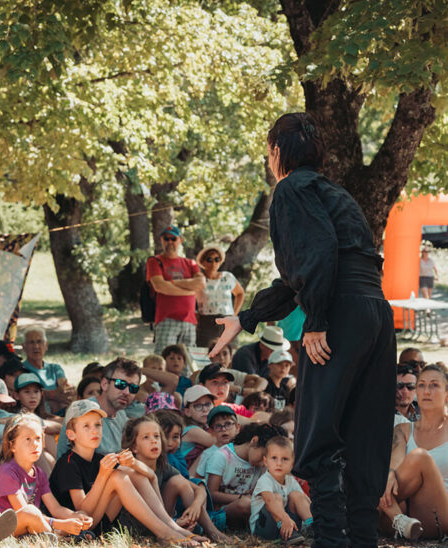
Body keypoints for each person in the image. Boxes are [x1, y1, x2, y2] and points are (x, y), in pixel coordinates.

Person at [211, 112, 397, 547]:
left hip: (340, 314)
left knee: (319, 433)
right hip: (374, 312)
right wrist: (247, 318)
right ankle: (362, 538)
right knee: (364, 432)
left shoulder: (291, 188)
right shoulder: (336, 192)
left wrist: (316, 322)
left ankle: (332, 538)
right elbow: (305, 273)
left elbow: (316, 259)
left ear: (277, 151)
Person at [48, 400, 205, 544]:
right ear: (71, 434)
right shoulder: (67, 463)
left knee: (128, 472)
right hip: (79, 527)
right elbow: (84, 511)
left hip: (100, 522)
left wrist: (137, 466)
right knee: (117, 476)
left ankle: (171, 527)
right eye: (86, 426)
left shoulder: (98, 458)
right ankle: (164, 532)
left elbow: (145, 476)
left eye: (98, 425)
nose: (94, 431)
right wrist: (103, 475)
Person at [122, 415, 229, 542]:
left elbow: (198, 489)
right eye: (146, 437)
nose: (154, 441)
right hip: (138, 523)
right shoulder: (129, 465)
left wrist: (195, 505)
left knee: (178, 482)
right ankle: (173, 529)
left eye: (156, 436)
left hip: (163, 517)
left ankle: (211, 531)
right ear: (134, 447)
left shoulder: (162, 465)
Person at [0, 413, 92, 538]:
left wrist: (76, 517)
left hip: (31, 524)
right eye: (27, 439)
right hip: (3, 528)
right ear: (12, 445)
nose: (35, 444)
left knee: (74, 516)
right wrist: (60, 524)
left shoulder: (39, 473)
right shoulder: (7, 473)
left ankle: (61, 534)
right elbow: (24, 512)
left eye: (38, 438)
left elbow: (56, 509)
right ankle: (59, 536)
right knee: (32, 512)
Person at [380, 364, 448, 540]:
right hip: (403, 517)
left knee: (419, 457)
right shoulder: (403, 429)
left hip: (438, 514)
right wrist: (389, 474)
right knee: (385, 474)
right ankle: (399, 520)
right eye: (422, 385)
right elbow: (395, 462)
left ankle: (383, 512)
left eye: (434, 385)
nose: (427, 391)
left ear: (447, 394)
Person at [204, 423, 285, 528]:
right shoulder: (222, 456)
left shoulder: (261, 465)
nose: (263, 464)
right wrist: (241, 498)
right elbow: (211, 494)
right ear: (254, 441)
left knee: (277, 497)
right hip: (221, 512)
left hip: (248, 507)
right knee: (245, 504)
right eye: (263, 456)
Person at [56, 357, 138, 456]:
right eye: (120, 384)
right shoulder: (83, 411)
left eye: (133, 388)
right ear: (104, 384)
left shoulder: (121, 414)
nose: (127, 392)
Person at [146, 225, 205, 353]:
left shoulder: (190, 263)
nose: (170, 242)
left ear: (180, 240)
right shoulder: (155, 261)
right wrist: (189, 290)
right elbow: (160, 286)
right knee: (163, 361)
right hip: (166, 319)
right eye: (166, 238)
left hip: (189, 320)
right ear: (161, 240)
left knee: (188, 364)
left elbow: (201, 283)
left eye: (173, 238)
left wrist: (172, 283)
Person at [250, 436, 313, 543]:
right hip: (264, 528)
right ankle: (289, 532)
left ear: (292, 463)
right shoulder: (264, 480)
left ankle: (313, 527)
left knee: (297, 495)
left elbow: (305, 501)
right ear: (265, 461)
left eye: (285, 459)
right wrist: (284, 518)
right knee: (276, 497)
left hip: (288, 524)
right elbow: (269, 502)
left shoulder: (291, 481)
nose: (279, 463)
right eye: (274, 458)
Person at [195, 244, 244, 347]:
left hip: (227, 321)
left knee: (229, 353)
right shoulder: (199, 279)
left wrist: (234, 314)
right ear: (203, 262)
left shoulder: (228, 277)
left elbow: (240, 293)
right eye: (209, 259)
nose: (213, 263)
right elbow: (190, 299)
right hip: (207, 322)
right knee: (206, 353)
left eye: (217, 259)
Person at [21, 327, 74, 414]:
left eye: (39, 341)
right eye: (31, 342)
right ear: (24, 347)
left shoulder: (55, 368)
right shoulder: (21, 370)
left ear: (46, 346)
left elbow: (64, 390)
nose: (36, 346)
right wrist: (54, 395)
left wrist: (50, 395)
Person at [191, 405, 240, 480]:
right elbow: (198, 478)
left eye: (228, 424)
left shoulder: (240, 452)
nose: (223, 429)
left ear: (237, 427)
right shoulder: (208, 454)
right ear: (211, 431)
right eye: (218, 426)